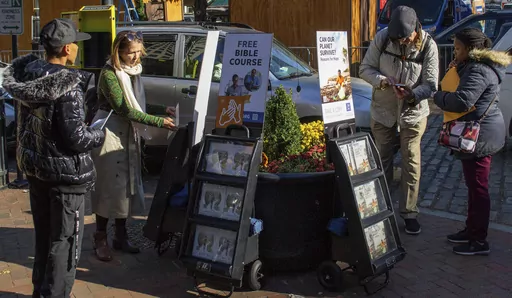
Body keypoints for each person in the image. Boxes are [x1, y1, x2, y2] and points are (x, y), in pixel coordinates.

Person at [1, 18, 106, 297]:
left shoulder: (28, 75)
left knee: (45, 238)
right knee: (65, 243)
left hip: (37, 171)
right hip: (64, 177)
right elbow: (77, 138)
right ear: (68, 49)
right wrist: (100, 134)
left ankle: (41, 290)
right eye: (75, 45)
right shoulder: (68, 85)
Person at [91, 30, 176, 262]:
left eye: (139, 52)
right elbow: (125, 109)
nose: (136, 57)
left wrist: (161, 110)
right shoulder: (110, 74)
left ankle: (120, 236)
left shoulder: (134, 72)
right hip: (110, 134)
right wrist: (159, 122)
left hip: (128, 134)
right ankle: (100, 238)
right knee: (108, 188)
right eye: (131, 53)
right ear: (118, 52)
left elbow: (138, 105)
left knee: (126, 189)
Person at [359, 6, 439, 235]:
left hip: (413, 113)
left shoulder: (429, 45)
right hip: (383, 110)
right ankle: (378, 209)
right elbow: (365, 68)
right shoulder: (383, 38)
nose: (401, 42)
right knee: (381, 158)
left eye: (405, 38)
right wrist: (383, 81)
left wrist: (413, 94)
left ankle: (409, 212)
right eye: (397, 38)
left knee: (410, 161)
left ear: (415, 30)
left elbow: (431, 84)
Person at [434, 28, 510, 255]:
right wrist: (454, 71)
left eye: (457, 49)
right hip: (479, 132)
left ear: (470, 49)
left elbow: (462, 101)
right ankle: (471, 229)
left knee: (479, 189)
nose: (454, 52)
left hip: (481, 135)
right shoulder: (473, 66)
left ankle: (479, 241)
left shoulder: (478, 70)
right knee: (473, 187)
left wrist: (437, 96)